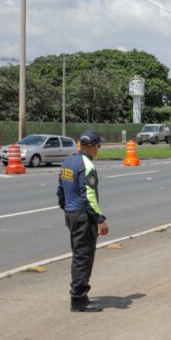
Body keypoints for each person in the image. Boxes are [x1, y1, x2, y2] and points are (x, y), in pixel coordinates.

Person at [57, 131, 109, 312]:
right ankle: (79, 299)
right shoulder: (87, 165)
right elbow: (89, 196)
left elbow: (60, 191)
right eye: (99, 146)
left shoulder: (68, 161)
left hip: (71, 214)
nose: (98, 150)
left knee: (78, 255)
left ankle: (79, 294)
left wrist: (68, 209)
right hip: (83, 216)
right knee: (83, 257)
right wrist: (99, 219)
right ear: (94, 146)